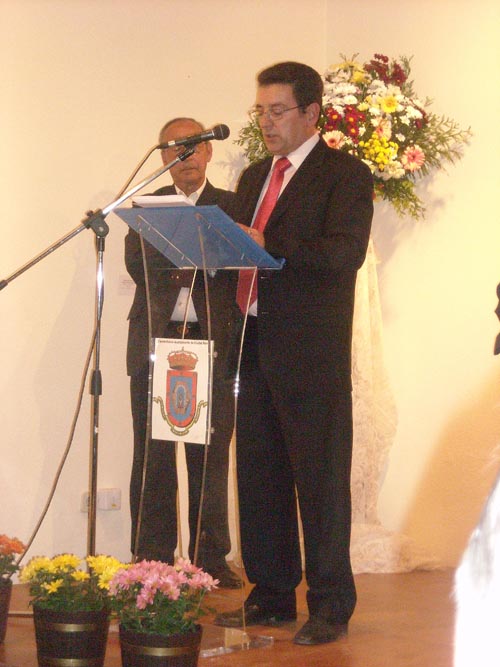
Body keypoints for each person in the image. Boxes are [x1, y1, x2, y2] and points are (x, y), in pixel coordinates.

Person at [215, 62, 374, 642]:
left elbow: (345, 253)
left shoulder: (344, 175)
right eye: (261, 111)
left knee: (320, 482)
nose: (267, 122)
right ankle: (273, 593)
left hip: (311, 352)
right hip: (253, 341)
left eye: (277, 111)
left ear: (311, 113)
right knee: (260, 477)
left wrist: (270, 244)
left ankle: (330, 605)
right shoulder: (255, 174)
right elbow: (241, 245)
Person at [125, 117, 242, 588]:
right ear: (162, 157)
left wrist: (183, 255)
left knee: (209, 455)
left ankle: (209, 558)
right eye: (175, 148)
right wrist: (196, 259)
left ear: (209, 152)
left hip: (212, 342)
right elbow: (138, 266)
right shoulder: (145, 208)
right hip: (155, 341)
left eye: (194, 147)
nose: (185, 156)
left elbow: (235, 266)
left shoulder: (232, 206)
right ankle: (150, 556)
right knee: (151, 455)